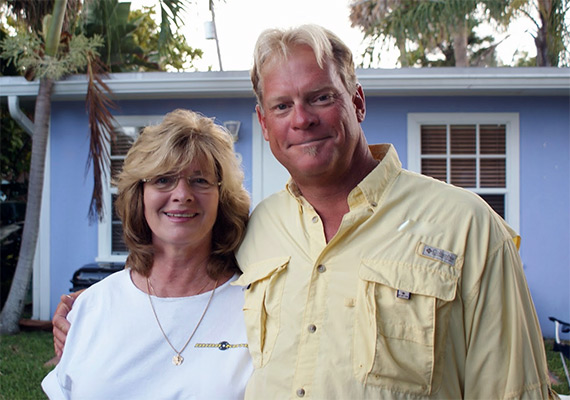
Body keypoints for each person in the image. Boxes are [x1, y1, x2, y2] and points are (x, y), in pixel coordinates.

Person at [54, 25, 557, 399]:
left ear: (357, 102)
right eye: (281, 105)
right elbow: (175, 272)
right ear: (264, 123)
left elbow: (516, 389)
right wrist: (92, 316)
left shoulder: (465, 225)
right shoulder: (260, 232)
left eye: (321, 97)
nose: (302, 119)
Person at [43, 109, 252, 399]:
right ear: (139, 195)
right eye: (163, 180)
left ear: (223, 197)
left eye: (200, 180)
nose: (182, 194)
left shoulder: (256, 309)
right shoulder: (91, 308)